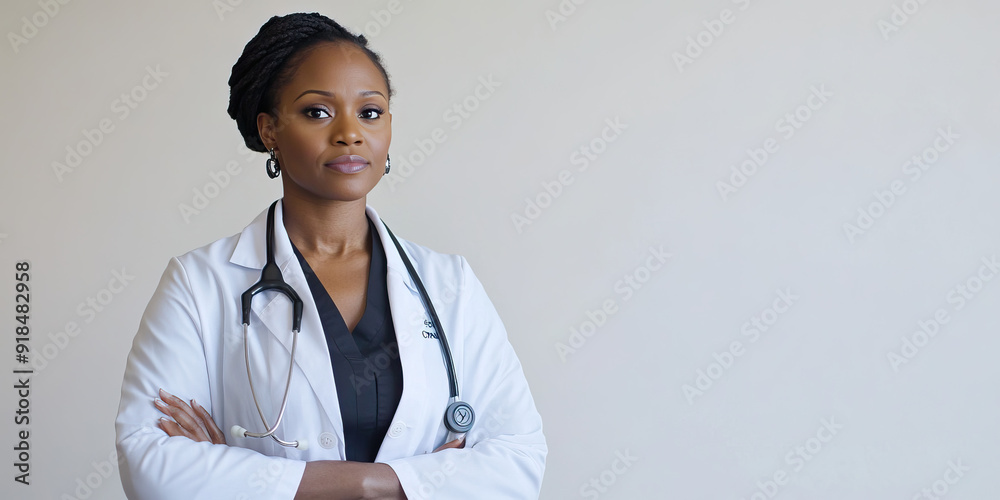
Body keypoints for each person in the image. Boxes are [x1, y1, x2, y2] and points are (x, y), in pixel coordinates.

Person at [114, 12, 546, 499]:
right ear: (270, 129)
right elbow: (151, 464)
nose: (349, 133)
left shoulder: (449, 283)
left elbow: (518, 460)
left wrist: (244, 474)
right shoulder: (200, 284)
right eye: (317, 112)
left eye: (370, 112)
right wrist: (406, 483)